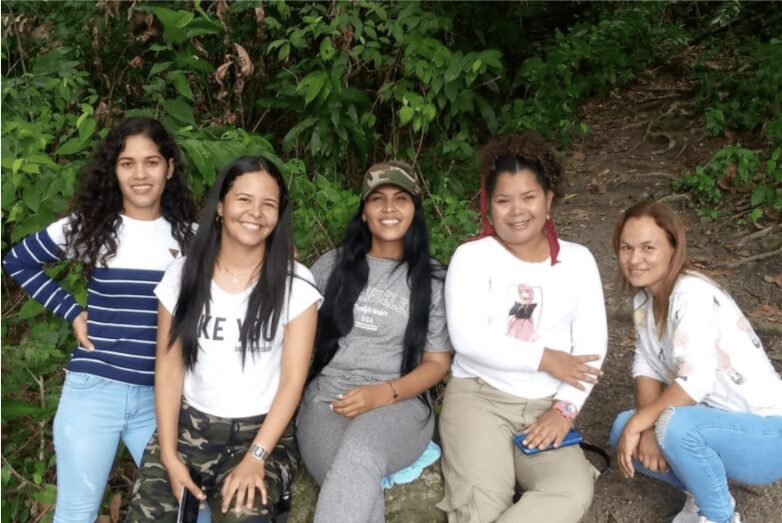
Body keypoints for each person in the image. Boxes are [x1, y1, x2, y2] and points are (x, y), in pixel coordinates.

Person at [2, 117, 198, 522]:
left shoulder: (192, 238)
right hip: (94, 392)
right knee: (77, 514)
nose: (140, 174)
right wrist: (72, 312)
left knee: (190, 511)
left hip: (160, 399)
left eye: (151, 162)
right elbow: (18, 261)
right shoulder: (91, 228)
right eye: (127, 163)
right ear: (114, 170)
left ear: (169, 168)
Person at [126, 156, 321, 521]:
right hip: (189, 429)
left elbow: (292, 382)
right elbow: (168, 370)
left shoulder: (296, 283)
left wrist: (256, 458)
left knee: (244, 513)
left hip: (262, 435)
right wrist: (168, 454)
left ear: (279, 215)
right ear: (220, 206)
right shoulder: (182, 275)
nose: (255, 213)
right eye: (244, 199)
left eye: (268, 204)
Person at [438, 132, 607, 523]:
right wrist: (545, 357)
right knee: (480, 509)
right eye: (503, 200)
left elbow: (592, 346)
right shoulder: (472, 257)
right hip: (479, 399)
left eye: (528, 197)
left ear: (548, 200)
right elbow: (467, 339)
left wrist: (565, 410)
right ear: (488, 205)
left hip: (547, 407)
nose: (516, 211)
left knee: (571, 490)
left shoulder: (578, 261)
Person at [295, 161, 452, 523]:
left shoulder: (433, 279)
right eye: (377, 199)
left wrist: (385, 393)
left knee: (360, 454)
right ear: (364, 212)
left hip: (401, 403)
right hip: (327, 401)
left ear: (414, 210)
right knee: (350, 483)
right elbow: (292, 329)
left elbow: (437, 363)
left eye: (401, 198)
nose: (388, 208)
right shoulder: (330, 266)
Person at [610, 201, 782, 523]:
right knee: (624, 430)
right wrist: (643, 428)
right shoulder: (644, 299)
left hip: (769, 434)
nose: (634, 259)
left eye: (648, 248)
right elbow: (646, 365)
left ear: (674, 248)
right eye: (626, 247)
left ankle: (720, 517)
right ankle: (705, 493)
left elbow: (696, 381)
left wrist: (642, 422)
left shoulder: (691, 293)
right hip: (715, 424)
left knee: (673, 426)